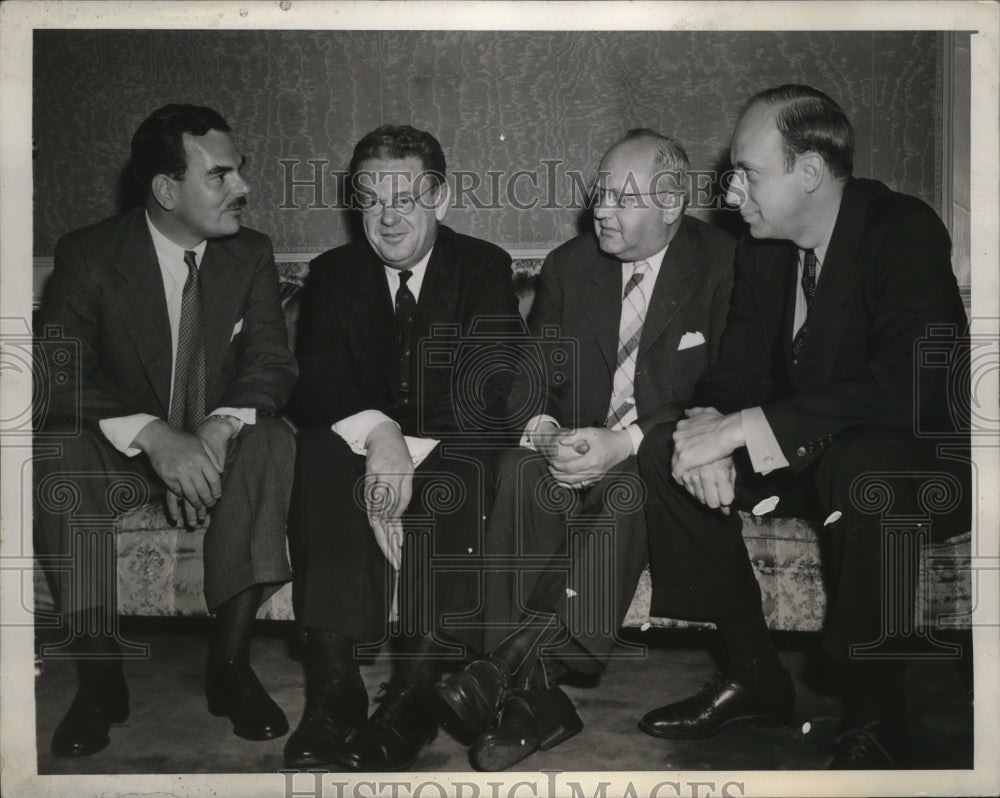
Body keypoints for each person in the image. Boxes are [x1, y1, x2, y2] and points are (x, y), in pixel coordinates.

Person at [634, 85, 970, 768]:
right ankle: (753, 675)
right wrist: (706, 426)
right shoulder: (764, 249)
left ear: (809, 172)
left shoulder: (901, 230)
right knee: (663, 451)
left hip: (908, 464)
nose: (730, 194)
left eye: (748, 173)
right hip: (808, 453)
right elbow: (735, 372)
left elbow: (914, 383)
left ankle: (876, 709)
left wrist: (747, 427)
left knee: (867, 464)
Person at [435, 129, 737, 770]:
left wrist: (624, 441)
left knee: (629, 493)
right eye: (600, 192)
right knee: (519, 471)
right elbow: (527, 378)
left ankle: (504, 671)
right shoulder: (572, 265)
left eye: (623, 198)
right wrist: (545, 434)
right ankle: (532, 701)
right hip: (571, 447)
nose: (601, 209)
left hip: (653, 454)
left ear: (672, 202)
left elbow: (725, 387)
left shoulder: (725, 264)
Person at [34, 104, 299, 757]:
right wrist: (156, 437)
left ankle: (230, 668)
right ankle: (100, 680)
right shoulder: (91, 254)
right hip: (123, 456)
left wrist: (214, 429)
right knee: (58, 452)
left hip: (220, 451)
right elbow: (55, 374)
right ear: (166, 188)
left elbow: (270, 364)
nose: (242, 189)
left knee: (271, 438)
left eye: (240, 172)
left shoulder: (250, 253)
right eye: (221, 175)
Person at [284, 124, 521, 772]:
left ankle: (414, 694)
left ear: (440, 200)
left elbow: (492, 386)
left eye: (406, 199)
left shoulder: (484, 268)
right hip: (370, 440)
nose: (387, 218)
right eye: (370, 199)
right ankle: (333, 692)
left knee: (465, 466)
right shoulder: (332, 275)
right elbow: (317, 381)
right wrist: (383, 437)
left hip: (454, 441)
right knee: (317, 452)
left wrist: (411, 457)